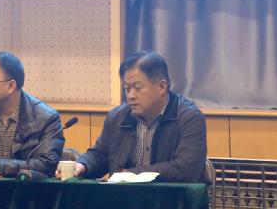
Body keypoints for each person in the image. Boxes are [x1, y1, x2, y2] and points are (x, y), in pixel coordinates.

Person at [75, 50, 208, 183]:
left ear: (162, 87)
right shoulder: (117, 117)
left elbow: (186, 168)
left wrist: (132, 174)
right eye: (127, 89)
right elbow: (100, 155)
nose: (131, 96)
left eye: (138, 88)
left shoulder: (189, 118)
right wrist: (83, 165)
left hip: (169, 195)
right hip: (122, 195)